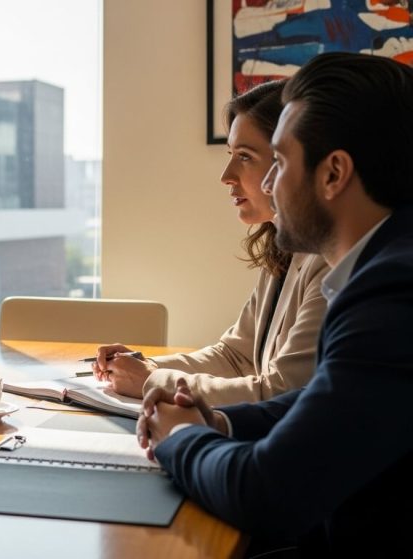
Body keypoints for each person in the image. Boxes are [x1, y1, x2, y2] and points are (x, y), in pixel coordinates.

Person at [137, 52, 413, 556]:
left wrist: (178, 439)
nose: (266, 185)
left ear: (334, 174)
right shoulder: (384, 270)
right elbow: (323, 405)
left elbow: (267, 491)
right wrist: (218, 423)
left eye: (279, 162)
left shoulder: (392, 294)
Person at [93, 81, 328, 406]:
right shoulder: (284, 248)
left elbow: (281, 394)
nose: (226, 175)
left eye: (245, 156)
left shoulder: (329, 261)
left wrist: (150, 381)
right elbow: (236, 356)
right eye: (231, 154)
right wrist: (147, 366)